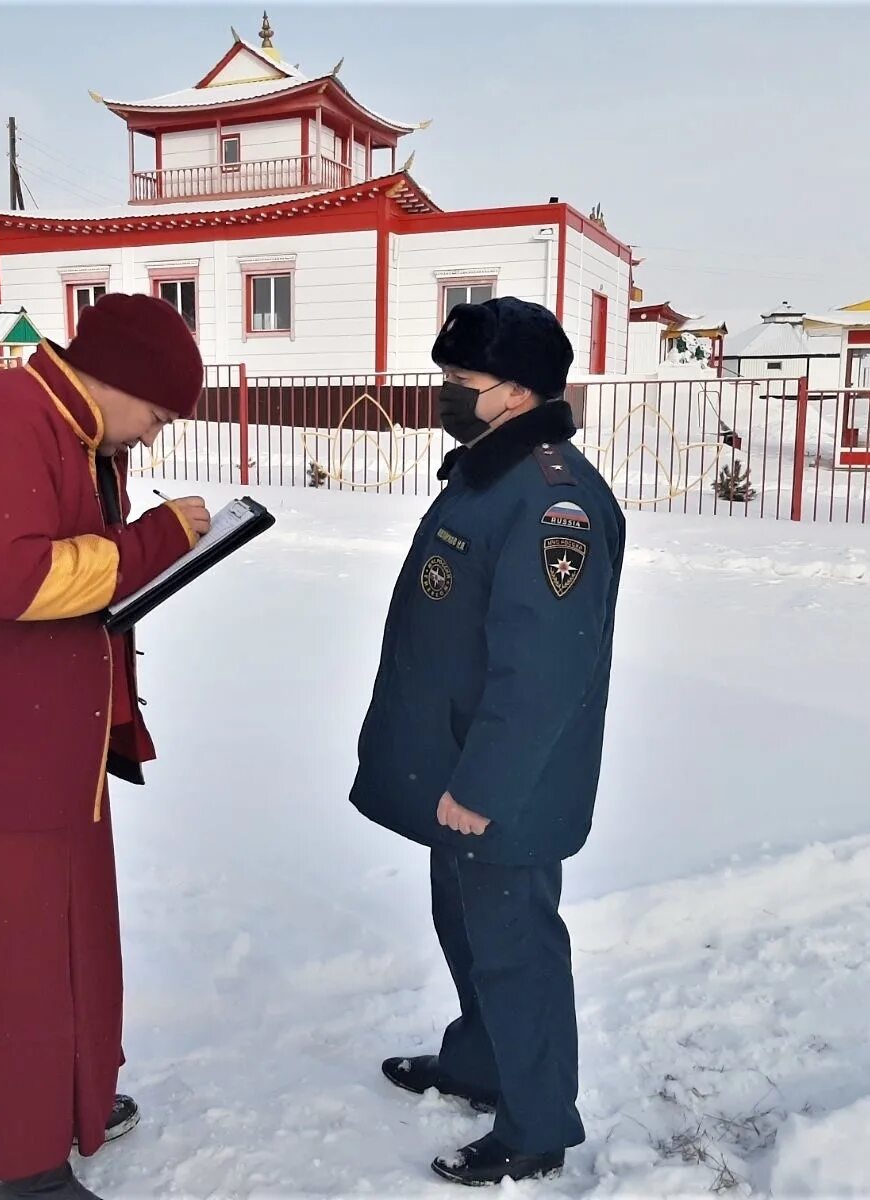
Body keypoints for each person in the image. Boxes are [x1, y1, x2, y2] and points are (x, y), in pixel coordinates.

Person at [0, 294, 212, 1200]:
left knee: (71, 944)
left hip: (46, 744)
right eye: (160, 414)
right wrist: (157, 539)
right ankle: (24, 1164)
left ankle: (72, 1105)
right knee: (9, 964)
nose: (155, 435)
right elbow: (22, 580)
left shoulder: (75, 431)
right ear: (125, 383)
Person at [348, 297, 626, 1187]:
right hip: (457, 769)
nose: (446, 395)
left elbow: (544, 672)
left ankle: (537, 1124)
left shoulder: (554, 502)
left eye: (463, 383)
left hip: (500, 783)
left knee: (515, 947)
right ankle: (478, 1062)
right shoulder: (485, 472)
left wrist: (485, 787)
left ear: (519, 392)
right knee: (465, 929)